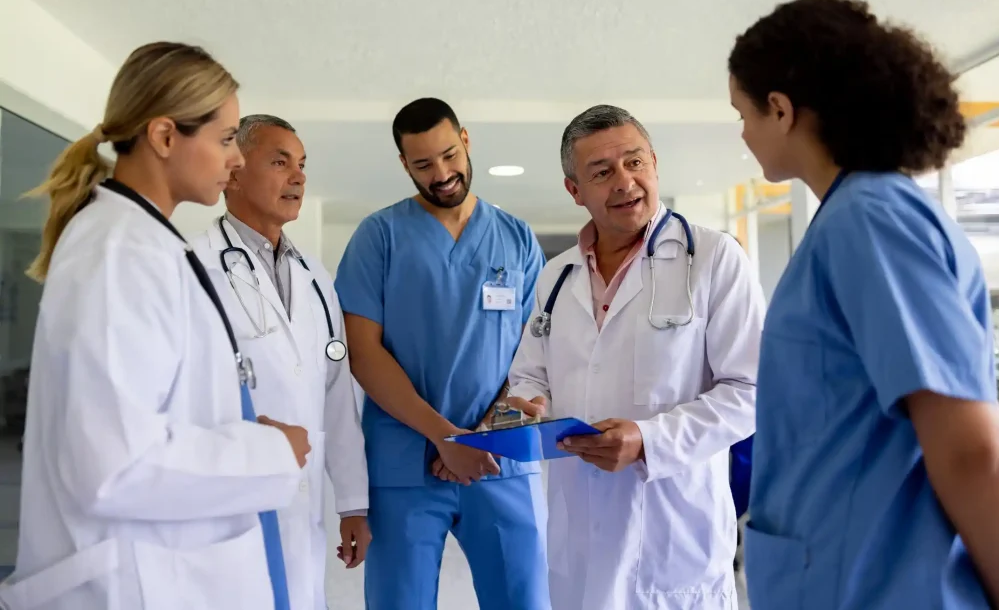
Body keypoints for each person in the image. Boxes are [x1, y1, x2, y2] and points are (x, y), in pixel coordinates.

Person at [728, 0, 999, 609]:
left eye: (743, 113)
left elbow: (972, 451)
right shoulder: (851, 218)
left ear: (780, 109)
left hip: (880, 586)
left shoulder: (869, 219)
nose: (744, 133)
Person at [2, 42, 310, 609]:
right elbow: (114, 466)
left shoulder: (145, 243)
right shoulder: (120, 253)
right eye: (226, 139)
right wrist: (269, 451)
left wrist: (241, 429)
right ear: (165, 136)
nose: (236, 159)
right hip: (129, 586)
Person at [505, 104, 764, 610]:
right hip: (579, 532)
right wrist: (528, 404)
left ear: (655, 163)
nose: (625, 182)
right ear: (574, 190)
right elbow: (530, 374)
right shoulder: (555, 276)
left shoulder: (713, 257)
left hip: (674, 532)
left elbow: (751, 390)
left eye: (635, 162)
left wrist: (649, 440)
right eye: (601, 172)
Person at [335, 97, 549, 610]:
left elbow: (535, 353)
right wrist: (445, 438)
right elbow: (363, 353)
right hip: (405, 466)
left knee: (524, 601)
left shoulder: (516, 238)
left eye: (450, 155)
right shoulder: (379, 237)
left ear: (466, 140)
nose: (442, 174)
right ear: (404, 164)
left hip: (499, 458)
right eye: (423, 164)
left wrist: (482, 436)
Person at [190, 114, 370, 610]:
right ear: (234, 173)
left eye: (302, 165)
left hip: (303, 501)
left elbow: (337, 394)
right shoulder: (195, 266)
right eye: (279, 162)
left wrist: (353, 502)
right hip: (231, 498)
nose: (299, 177)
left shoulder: (315, 276)